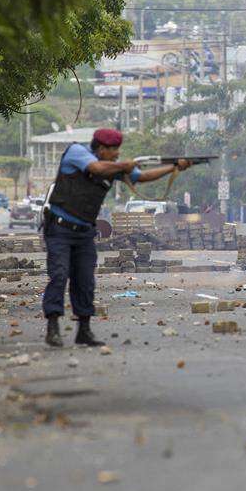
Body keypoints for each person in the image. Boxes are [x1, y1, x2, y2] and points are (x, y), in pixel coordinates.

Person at [43, 128, 192, 347]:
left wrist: (175, 167)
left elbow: (141, 177)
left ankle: (84, 330)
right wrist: (123, 165)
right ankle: (53, 327)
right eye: (113, 151)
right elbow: (95, 168)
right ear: (101, 148)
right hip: (60, 229)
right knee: (59, 274)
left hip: (84, 232)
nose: (116, 155)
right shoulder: (76, 152)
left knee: (85, 280)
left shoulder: (113, 168)